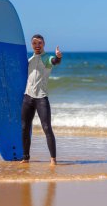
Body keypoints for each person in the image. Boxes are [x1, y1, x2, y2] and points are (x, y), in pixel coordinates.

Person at [21, 34, 62, 166]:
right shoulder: (29, 60)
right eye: (34, 43)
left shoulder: (47, 58)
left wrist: (58, 57)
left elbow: (55, 61)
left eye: (40, 43)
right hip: (28, 97)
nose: (37, 45)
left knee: (46, 127)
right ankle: (25, 157)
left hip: (41, 98)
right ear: (31, 45)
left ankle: (53, 159)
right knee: (24, 127)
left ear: (44, 44)